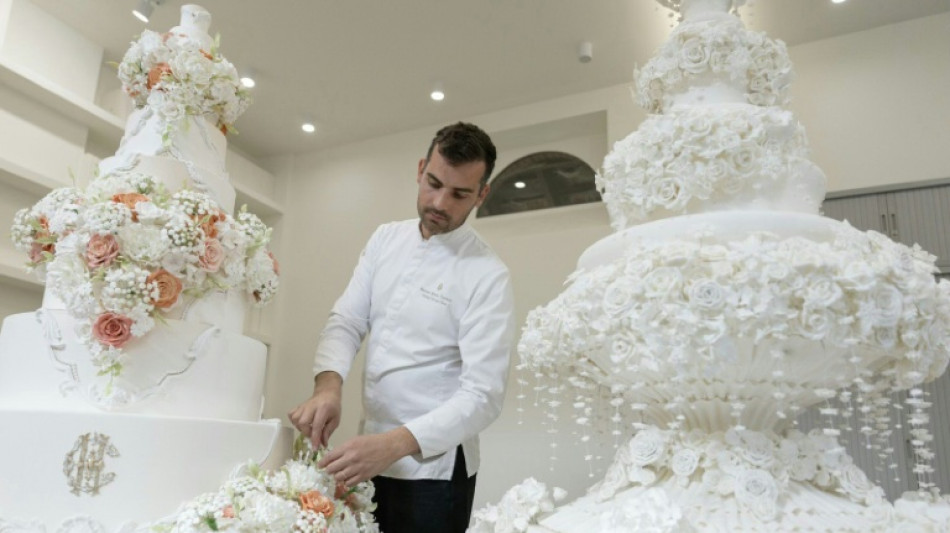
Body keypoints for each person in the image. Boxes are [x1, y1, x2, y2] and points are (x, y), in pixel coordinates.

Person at [289, 122, 515, 533]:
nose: (440, 202)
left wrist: (393, 445)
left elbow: (484, 395)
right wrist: (328, 386)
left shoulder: (488, 274)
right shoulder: (385, 240)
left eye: (460, 194)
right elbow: (348, 320)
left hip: (435, 471)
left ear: (481, 194)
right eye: (433, 183)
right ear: (420, 169)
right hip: (367, 452)